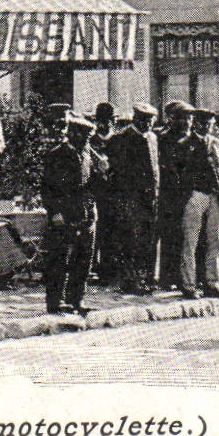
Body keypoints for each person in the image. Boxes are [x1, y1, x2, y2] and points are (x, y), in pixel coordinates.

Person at [41, 112, 110, 314]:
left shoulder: (88, 155)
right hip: (64, 214)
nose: (87, 140)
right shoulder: (57, 154)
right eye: (83, 136)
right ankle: (55, 300)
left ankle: (76, 299)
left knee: (83, 259)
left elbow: (93, 186)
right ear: (72, 134)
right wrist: (54, 212)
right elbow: (47, 188)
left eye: (89, 137)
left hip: (86, 213)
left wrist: (102, 172)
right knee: (59, 258)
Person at [180, 108, 219, 298]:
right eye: (202, 123)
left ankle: (212, 282)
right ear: (194, 123)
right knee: (191, 241)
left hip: (216, 196)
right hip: (196, 195)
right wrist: (187, 195)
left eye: (209, 123)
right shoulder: (184, 144)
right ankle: (189, 284)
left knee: (215, 241)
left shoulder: (217, 144)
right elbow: (178, 174)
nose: (205, 126)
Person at [105, 102, 159, 294]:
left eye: (150, 121)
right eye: (144, 120)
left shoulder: (152, 138)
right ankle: (130, 280)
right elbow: (117, 171)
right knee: (130, 239)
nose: (148, 124)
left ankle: (144, 278)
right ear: (136, 118)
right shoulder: (121, 139)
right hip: (130, 198)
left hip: (150, 198)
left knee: (147, 239)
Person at [155, 101, 194, 290]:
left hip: (188, 193)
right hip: (168, 194)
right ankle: (166, 277)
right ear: (172, 119)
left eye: (189, 118)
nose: (186, 122)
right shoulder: (163, 139)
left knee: (186, 237)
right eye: (182, 118)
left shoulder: (193, 139)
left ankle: (182, 276)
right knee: (169, 235)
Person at [89, 102, 121, 284]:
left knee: (112, 232)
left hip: (114, 193)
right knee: (96, 231)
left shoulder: (119, 140)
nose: (104, 124)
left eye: (108, 120)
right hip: (96, 193)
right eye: (101, 120)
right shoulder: (90, 141)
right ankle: (92, 267)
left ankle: (108, 271)